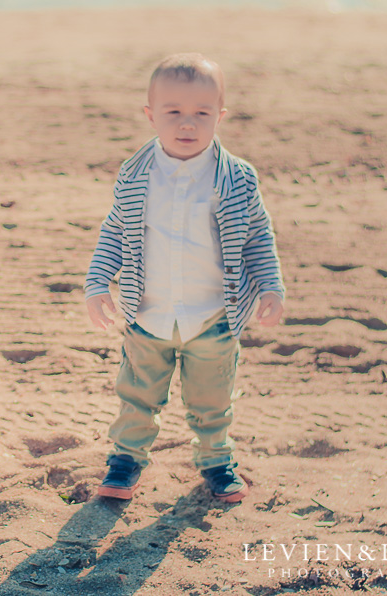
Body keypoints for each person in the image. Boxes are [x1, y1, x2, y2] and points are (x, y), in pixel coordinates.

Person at [84, 53, 285, 502]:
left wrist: (271, 285)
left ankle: (216, 459)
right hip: (148, 314)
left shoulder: (236, 178)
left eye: (202, 113)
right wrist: (97, 283)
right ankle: (126, 459)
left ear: (220, 116)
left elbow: (257, 235)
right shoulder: (136, 176)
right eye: (174, 112)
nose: (187, 123)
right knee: (137, 394)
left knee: (212, 400)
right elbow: (115, 230)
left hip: (213, 315)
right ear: (151, 115)